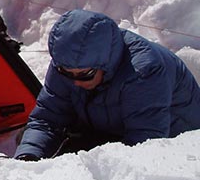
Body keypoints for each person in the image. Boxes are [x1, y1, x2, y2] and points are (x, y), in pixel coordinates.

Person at [15, 9, 200, 160]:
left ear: (106, 63)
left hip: (171, 143)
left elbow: (145, 147)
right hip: (110, 126)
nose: (75, 81)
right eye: (65, 73)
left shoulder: (144, 72)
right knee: (29, 141)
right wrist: (28, 158)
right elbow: (47, 118)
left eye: (85, 75)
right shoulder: (69, 64)